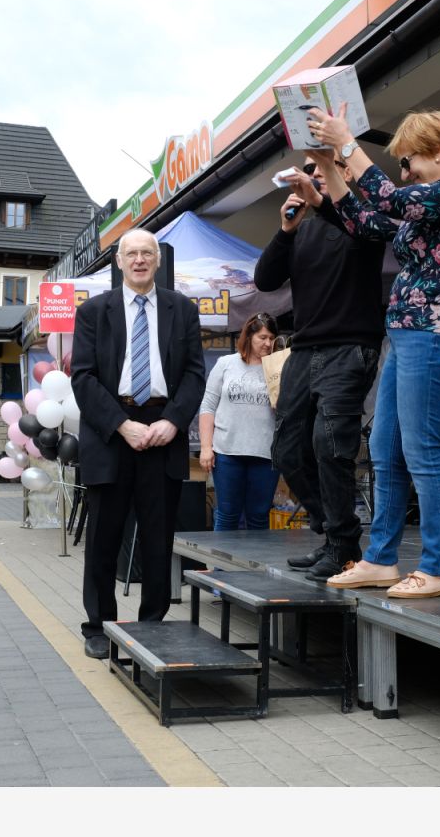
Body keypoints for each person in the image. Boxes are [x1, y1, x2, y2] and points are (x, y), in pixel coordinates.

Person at [304, 107, 440, 598]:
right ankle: (381, 559)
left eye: (408, 161)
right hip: (409, 335)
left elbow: (387, 197)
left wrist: (346, 143)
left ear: (438, 150)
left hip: (435, 332)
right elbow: (366, 222)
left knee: (422, 452)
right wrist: (327, 167)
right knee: (385, 450)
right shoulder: (430, 209)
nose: (404, 173)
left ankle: (437, 568)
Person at [71, 228, 206, 659]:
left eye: (147, 252)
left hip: (164, 430)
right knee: (103, 538)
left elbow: (195, 374)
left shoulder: (182, 310)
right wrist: (121, 425)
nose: (140, 260)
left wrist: (173, 421)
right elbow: (83, 378)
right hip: (111, 430)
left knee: (157, 537)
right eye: (131, 253)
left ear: (158, 260)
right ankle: (99, 626)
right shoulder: (94, 311)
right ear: (119, 261)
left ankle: (152, 626)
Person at [254, 153, 385, 581]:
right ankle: (334, 535)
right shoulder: (304, 229)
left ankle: (343, 545)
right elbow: (264, 280)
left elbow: (357, 228)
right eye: (309, 169)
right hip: (305, 350)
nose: (314, 175)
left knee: (329, 444)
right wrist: (285, 230)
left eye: (323, 166)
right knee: (287, 450)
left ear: (345, 172)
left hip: (350, 348)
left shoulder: (363, 218)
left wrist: (321, 202)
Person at [199, 312, 280, 531]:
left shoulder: (279, 367)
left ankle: (256, 557)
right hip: (227, 452)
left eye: (271, 338)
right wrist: (206, 448)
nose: (267, 343)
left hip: (265, 453)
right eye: (262, 337)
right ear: (249, 336)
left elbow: (288, 411)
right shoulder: (226, 363)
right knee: (226, 515)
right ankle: (220, 557)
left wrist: (282, 400)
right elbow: (207, 407)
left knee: (259, 517)